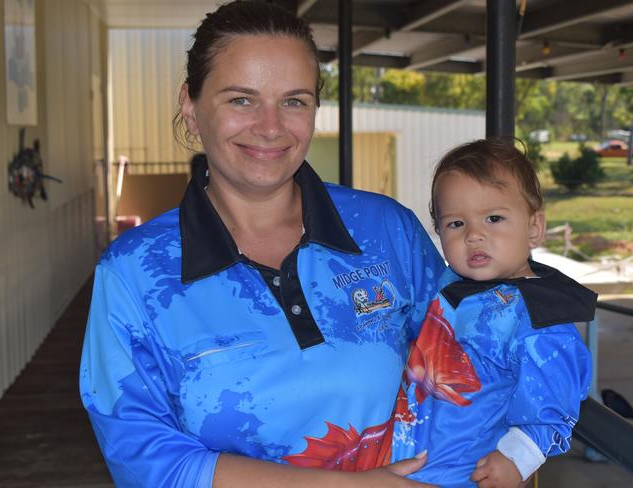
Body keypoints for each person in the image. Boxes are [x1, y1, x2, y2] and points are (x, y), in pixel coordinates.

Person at [79, 2, 446, 487]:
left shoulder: (386, 231)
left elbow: (468, 365)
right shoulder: (133, 273)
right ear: (190, 105)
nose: (271, 127)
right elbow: (143, 457)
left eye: (294, 101)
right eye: (241, 100)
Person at [390, 139, 596, 487]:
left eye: (494, 218)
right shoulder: (451, 287)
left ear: (534, 228)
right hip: (406, 460)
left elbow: (554, 401)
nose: (474, 235)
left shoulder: (538, 318)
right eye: (456, 224)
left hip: (468, 473)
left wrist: (518, 457)